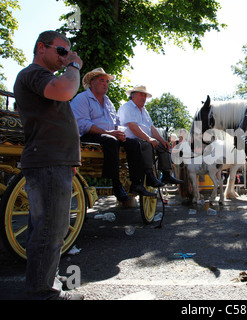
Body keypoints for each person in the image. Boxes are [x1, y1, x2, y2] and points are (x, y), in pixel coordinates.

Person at [13, 30, 84, 300]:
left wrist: (70, 159)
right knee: (51, 231)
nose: (66, 57)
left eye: (68, 53)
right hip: (48, 161)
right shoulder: (34, 74)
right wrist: (74, 66)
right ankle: (44, 293)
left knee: (45, 229)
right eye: (62, 51)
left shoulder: (43, 78)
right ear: (41, 48)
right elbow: (66, 90)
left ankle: (43, 285)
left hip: (54, 161)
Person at [71, 69, 154, 201]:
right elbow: (83, 124)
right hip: (88, 135)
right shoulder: (82, 99)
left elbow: (116, 121)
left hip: (109, 135)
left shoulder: (108, 101)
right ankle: (116, 184)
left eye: (107, 81)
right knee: (111, 141)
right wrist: (109, 133)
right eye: (102, 81)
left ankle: (136, 183)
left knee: (134, 144)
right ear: (92, 82)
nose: (106, 84)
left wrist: (118, 131)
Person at [117, 85, 183, 187]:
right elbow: (133, 127)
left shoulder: (144, 111)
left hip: (144, 139)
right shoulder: (127, 108)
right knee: (147, 145)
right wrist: (149, 139)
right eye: (141, 95)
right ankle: (149, 175)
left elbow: (152, 128)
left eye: (145, 95)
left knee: (163, 146)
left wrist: (162, 140)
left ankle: (166, 174)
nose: (144, 98)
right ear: (133, 96)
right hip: (131, 140)